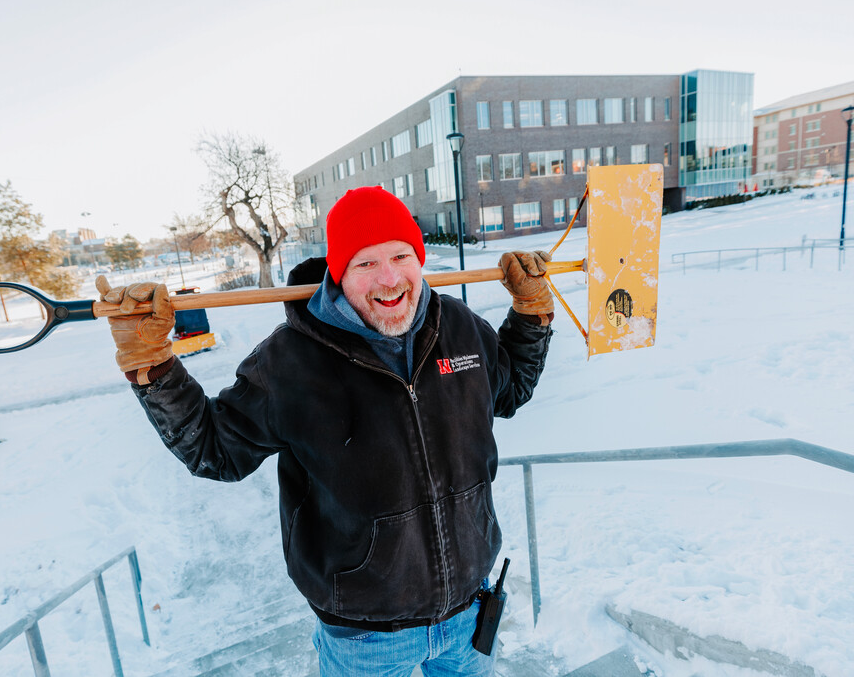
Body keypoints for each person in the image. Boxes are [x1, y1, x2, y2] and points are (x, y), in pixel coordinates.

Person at [96, 185, 554, 676]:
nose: (389, 277)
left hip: (470, 610)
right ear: (338, 274)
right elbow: (215, 451)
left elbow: (510, 391)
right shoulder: (291, 361)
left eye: (401, 255)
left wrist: (532, 315)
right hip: (366, 638)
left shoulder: (460, 328)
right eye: (365, 263)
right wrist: (153, 368)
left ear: (419, 258)